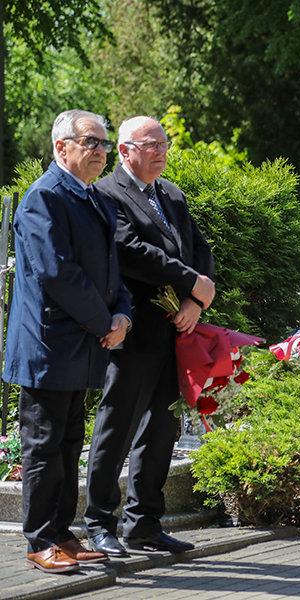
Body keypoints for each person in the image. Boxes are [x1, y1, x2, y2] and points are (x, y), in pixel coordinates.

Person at [3, 110, 132, 573]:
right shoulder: (44, 199)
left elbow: (111, 273)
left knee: (67, 444)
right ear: (62, 147)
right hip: (47, 346)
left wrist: (123, 313)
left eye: (104, 144)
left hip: (82, 344)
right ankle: (40, 540)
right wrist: (105, 321)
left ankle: (62, 533)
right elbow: (58, 274)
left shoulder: (94, 199)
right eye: (91, 142)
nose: (101, 151)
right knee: (43, 446)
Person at [85, 116, 215, 556]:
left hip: (176, 332)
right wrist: (191, 281)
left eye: (164, 143)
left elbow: (200, 249)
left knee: (162, 429)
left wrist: (196, 301)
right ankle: (100, 523)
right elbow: (130, 252)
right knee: (116, 427)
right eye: (151, 144)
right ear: (124, 151)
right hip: (132, 330)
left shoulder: (171, 194)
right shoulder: (106, 195)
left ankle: (144, 523)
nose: (161, 151)